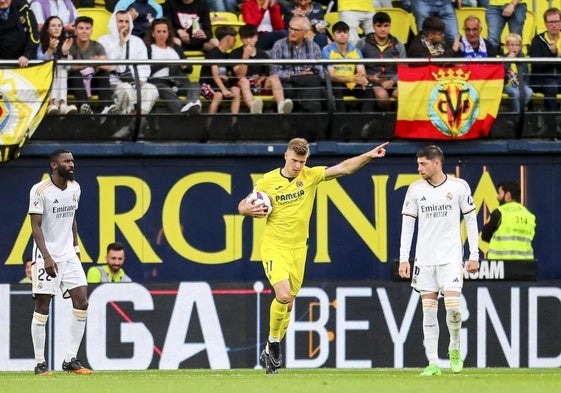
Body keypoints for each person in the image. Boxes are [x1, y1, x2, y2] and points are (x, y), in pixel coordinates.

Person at [238, 138, 389, 374]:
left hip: (299, 249)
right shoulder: (268, 180)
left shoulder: (310, 176)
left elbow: (344, 168)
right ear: (286, 156)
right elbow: (243, 204)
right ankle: (275, 343)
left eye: (303, 161)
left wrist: (368, 155)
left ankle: (269, 348)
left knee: (288, 305)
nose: (298, 166)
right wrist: (246, 209)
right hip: (274, 246)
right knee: (284, 295)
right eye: (295, 160)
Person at [398, 145, 480, 376]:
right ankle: (433, 362)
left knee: (453, 309)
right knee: (429, 312)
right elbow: (408, 226)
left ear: (437, 163)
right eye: (418, 164)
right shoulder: (414, 190)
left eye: (423, 164)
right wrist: (405, 258)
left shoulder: (458, 187)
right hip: (424, 260)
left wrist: (473, 255)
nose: (419, 168)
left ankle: (454, 347)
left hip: (451, 258)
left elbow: (471, 222)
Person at [28, 149, 91, 376]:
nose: (71, 164)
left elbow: (72, 220)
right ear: (54, 165)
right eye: (66, 161)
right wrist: (46, 256)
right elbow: (35, 226)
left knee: (82, 302)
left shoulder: (75, 188)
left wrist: (76, 249)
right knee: (43, 306)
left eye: (72, 160)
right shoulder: (40, 190)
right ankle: (40, 363)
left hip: (68, 254)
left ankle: (70, 359)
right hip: (46, 254)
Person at [98, 10, 160, 137]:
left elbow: (144, 66)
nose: (124, 24)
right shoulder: (103, 41)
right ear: (113, 23)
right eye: (120, 21)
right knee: (125, 89)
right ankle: (135, 126)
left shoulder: (137, 41)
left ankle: (131, 125)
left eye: (127, 21)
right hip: (114, 83)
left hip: (136, 83)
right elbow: (109, 66)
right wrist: (121, 44)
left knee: (152, 89)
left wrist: (141, 80)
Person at [230, 24, 293, 114]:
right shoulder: (235, 53)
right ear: (241, 39)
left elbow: (266, 73)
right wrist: (245, 56)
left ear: (256, 38)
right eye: (245, 38)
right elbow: (240, 76)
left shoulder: (262, 54)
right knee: (244, 81)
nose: (248, 41)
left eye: (251, 37)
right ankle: (254, 108)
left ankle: (281, 105)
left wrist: (261, 79)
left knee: (274, 77)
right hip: (243, 85)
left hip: (259, 85)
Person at [146, 17, 202, 114]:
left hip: (178, 82)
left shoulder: (175, 47)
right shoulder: (148, 48)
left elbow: (190, 69)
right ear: (153, 33)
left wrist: (184, 66)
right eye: (158, 31)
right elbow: (145, 70)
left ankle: (192, 104)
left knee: (195, 85)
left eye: (164, 31)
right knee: (162, 88)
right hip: (160, 83)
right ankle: (181, 110)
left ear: (168, 33)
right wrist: (166, 63)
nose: (162, 34)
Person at [270, 15, 325, 112]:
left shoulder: (314, 46)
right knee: (289, 90)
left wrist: (313, 71)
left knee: (322, 90)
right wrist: (296, 76)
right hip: (288, 81)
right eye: (290, 28)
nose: (292, 32)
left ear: (305, 32)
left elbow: (321, 71)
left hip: (308, 82)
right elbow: (274, 72)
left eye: (296, 30)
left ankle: (313, 119)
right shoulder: (279, 45)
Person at [67, 16, 118, 115]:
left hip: (91, 82)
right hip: (73, 84)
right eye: (81, 28)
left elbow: (108, 67)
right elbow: (70, 67)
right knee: (76, 74)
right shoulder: (70, 45)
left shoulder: (97, 46)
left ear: (91, 30)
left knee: (103, 74)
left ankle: (106, 107)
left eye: (87, 28)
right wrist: (89, 63)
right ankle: (84, 106)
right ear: (76, 30)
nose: (84, 31)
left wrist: (98, 62)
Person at [356, 12, 406, 111]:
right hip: (371, 81)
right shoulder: (362, 43)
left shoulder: (398, 44)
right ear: (373, 26)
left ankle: (397, 120)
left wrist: (392, 81)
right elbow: (355, 67)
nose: (383, 29)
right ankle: (386, 119)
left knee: (402, 95)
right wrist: (370, 78)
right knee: (383, 97)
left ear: (390, 26)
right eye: (379, 26)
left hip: (395, 80)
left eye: (386, 26)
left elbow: (404, 68)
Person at [321, 20, 374, 112]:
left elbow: (362, 71)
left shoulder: (355, 50)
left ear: (348, 35)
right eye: (339, 32)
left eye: (345, 32)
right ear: (333, 36)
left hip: (351, 83)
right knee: (337, 87)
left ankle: (365, 120)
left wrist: (361, 78)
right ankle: (341, 119)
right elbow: (332, 76)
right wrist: (352, 79)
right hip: (336, 84)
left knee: (368, 88)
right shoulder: (327, 51)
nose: (342, 34)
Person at [481, 180, 536, 260]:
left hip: (502, 267)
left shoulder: (499, 213)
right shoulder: (530, 216)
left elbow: (484, 235)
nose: (497, 197)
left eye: (500, 193)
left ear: (508, 195)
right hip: (525, 266)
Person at [529, 7, 561, 137]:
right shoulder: (537, 41)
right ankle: (552, 129)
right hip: (541, 78)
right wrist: (552, 55)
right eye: (550, 22)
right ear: (545, 24)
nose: (553, 25)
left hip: (559, 78)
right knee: (551, 87)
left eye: (556, 21)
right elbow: (538, 66)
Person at [200, 25, 240, 124]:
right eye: (234, 38)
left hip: (220, 86)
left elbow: (233, 75)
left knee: (236, 90)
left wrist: (227, 79)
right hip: (208, 85)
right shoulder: (213, 53)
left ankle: (233, 124)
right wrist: (224, 90)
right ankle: (206, 127)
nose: (235, 41)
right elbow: (215, 75)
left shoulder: (227, 56)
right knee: (218, 95)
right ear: (228, 38)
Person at [37, 16, 77, 116]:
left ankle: (62, 104)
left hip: (59, 75)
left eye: (59, 26)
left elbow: (68, 68)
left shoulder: (64, 43)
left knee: (62, 69)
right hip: (42, 76)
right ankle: (51, 103)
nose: (57, 28)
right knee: (54, 68)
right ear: (47, 29)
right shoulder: (40, 42)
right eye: (53, 25)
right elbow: (40, 62)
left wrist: (64, 53)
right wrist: (50, 48)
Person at [0, 0, 39, 68]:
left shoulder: (23, 7)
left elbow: (34, 35)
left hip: (22, 63)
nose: (2, 1)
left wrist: (27, 55)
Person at [502, 33, 532, 115]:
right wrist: (508, 60)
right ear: (507, 47)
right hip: (506, 85)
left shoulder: (523, 60)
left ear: (520, 47)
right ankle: (517, 116)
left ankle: (518, 111)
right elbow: (501, 73)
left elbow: (526, 76)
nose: (514, 47)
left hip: (520, 84)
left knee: (529, 91)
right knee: (515, 92)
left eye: (517, 45)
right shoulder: (503, 58)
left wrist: (523, 85)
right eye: (511, 45)